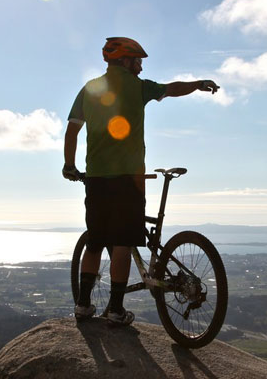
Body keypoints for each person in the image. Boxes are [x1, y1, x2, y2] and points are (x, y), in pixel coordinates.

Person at [63, 36, 219, 326]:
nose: (141, 67)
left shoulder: (90, 89)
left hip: (96, 178)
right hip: (128, 178)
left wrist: (69, 165)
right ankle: (115, 311)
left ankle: (83, 306)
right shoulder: (138, 87)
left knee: (95, 242)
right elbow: (171, 89)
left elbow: (72, 130)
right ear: (124, 59)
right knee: (122, 243)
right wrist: (198, 84)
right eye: (138, 61)